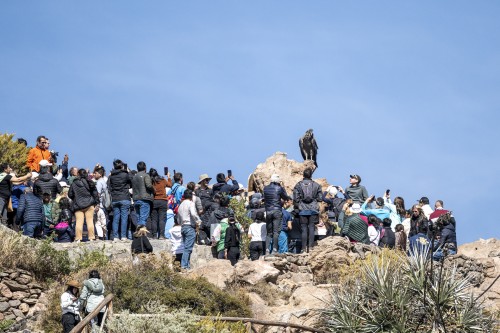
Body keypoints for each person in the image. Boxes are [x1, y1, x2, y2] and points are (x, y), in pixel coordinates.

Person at [293, 168, 322, 253]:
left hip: (303, 209)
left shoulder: (298, 185)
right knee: (312, 227)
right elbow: (320, 198)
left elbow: (295, 198)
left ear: (303, 175)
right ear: (311, 175)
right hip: (313, 209)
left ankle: (303, 248)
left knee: (304, 229)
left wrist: (299, 205)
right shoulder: (317, 185)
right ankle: (311, 247)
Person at [69, 169, 99, 242]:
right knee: (90, 221)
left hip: (78, 205)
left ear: (78, 174)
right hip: (89, 204)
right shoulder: (89, 182)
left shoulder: (74, 183)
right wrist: (96, 202)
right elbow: (95, 193)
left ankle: (78, 238)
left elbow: (70, 194)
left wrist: (75, 198)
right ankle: (91, 237)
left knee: (79, 222)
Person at [263, 174, 291, 254]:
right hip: (277, 211)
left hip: (268, 211)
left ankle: (267, 250)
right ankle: (274, 250)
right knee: (276, 231)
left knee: (269, 232)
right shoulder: (279, 188)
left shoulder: (265, 188)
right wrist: (282, 187)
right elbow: (286, 197)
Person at [177, 189, 202, 270]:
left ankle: (187, 266)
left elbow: (178, 218)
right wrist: (198, 221)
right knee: (188, 249)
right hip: (189, 227)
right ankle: (184, 266)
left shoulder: (181, 205)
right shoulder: (191, 203)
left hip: (183, 227)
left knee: (186, 247)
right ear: (191, 196)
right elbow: (193, 214)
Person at [108, 159, 132, 241]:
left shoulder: (111, 176)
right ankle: (123, 236)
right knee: (124, 218)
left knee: (116, 218)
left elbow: (109, 187)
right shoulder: (125, 174)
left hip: (115, 198)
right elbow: (132, 181)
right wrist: (128, 171)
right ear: (121, 165)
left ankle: (115, 236)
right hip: (124, 197)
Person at [149, 168, 172, 239]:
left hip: (154, 201)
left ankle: (154, 235)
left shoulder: (151, 181)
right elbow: (170, 185)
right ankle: (161, 235)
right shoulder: (162, 180)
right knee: (162, 219)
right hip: (163, 201)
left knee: (154, 219)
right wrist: (168, 177)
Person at [132, 161, 154, 227]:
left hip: (136, 199)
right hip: (144, 198)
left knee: (139, 218)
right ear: (145, 167)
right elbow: (149, 185)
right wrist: (154, 190)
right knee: (143, 219)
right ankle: (142, 234)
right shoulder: (146, 175)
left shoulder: (134, 177)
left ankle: (139, 235)